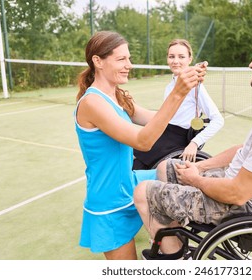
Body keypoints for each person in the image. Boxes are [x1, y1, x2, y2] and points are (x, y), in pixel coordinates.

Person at [133, 30, 252, 259]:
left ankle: (175, 258)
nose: (251, 64)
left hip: (245, 208)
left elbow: (238, 194)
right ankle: (174, 235)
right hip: (245, 191)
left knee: (143, 192)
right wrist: (201, 168)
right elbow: (243, 150)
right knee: (165, 168)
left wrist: (196, 180)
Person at [74, 31, 206, 260]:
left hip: (130, 182)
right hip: (109, 200)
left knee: (180, 175)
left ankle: (174, 254)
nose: (129, 65)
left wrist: (186, 91)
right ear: (98, 61)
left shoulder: (119, 96)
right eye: (121, 59)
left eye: (129, 58)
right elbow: (143, 141)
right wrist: (178, 92)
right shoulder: (92, 103)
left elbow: (157, 121)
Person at [133, 39, 224, 169]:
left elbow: (218, 120)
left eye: (181, 57)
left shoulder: (195, 86)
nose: (175, 61)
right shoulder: (170, 86)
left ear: (190, 59)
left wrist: (194, 143)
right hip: (163, 134)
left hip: (177, 140)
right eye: (171, 57)